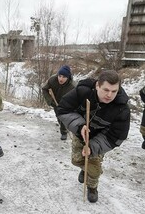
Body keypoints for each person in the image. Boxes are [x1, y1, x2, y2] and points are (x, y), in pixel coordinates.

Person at [57, 69, 130, 203]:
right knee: (76, 160)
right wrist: (79, 127)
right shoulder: (83, 91)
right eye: (106, 90)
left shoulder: (121, 108)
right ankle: (85, 169)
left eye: (114, 91)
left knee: (94, 166)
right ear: (97, 85)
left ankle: (92, 187)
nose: (109, 95)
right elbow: (63, 109)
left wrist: (93, 146)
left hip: (100, 138)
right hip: (80, 134)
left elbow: (116, 136)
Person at [42, 65, 75, 140]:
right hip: (55, 102)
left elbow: (77, 98)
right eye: (60, 76)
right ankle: (64, 128)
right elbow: (44, 89)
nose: (61, 79)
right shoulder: (52, 80)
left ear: (68, 77)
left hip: (67, 104)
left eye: (64, 77)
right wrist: (50, 101)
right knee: (59, 118)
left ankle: (64, 132)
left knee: (64, 118)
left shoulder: (72, 86)